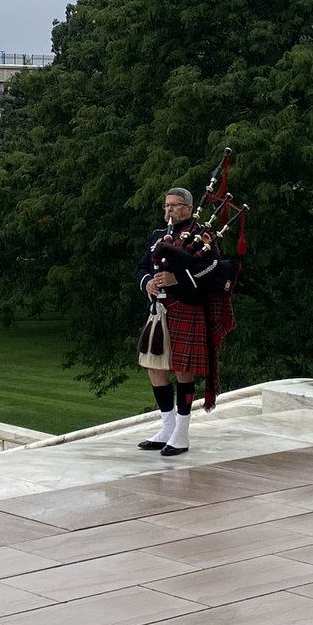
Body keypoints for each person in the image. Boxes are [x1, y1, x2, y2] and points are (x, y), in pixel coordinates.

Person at [136, 187, 236, 456]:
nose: (169, 210)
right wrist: (147, 283)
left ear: (189, 209)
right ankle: (166, 427)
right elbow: (143, 267)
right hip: (158, 309)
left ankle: (181, 433)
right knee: (155, 367)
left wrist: (177, 279)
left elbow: (213, 268)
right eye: (166, 205)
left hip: (187, 307)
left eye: (175, 205)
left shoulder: (203, 236)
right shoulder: (158, 236)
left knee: (183, 370)